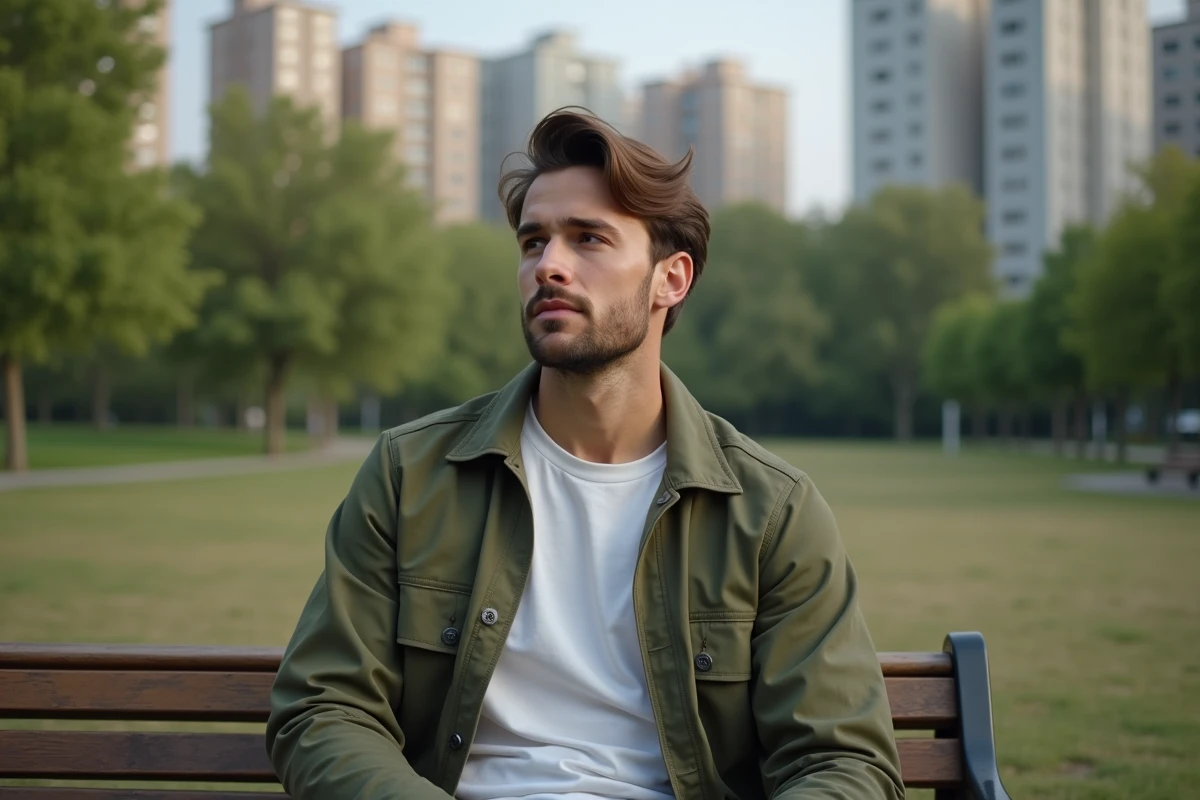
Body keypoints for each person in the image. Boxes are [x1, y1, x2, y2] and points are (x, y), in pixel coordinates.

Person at [266, 108, 905, 800]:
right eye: (533, 242)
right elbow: (323, 710)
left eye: (588, 239)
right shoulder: (408, 474)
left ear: (672, 279)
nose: (549, 266)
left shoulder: (773, 512)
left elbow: (843, 763)